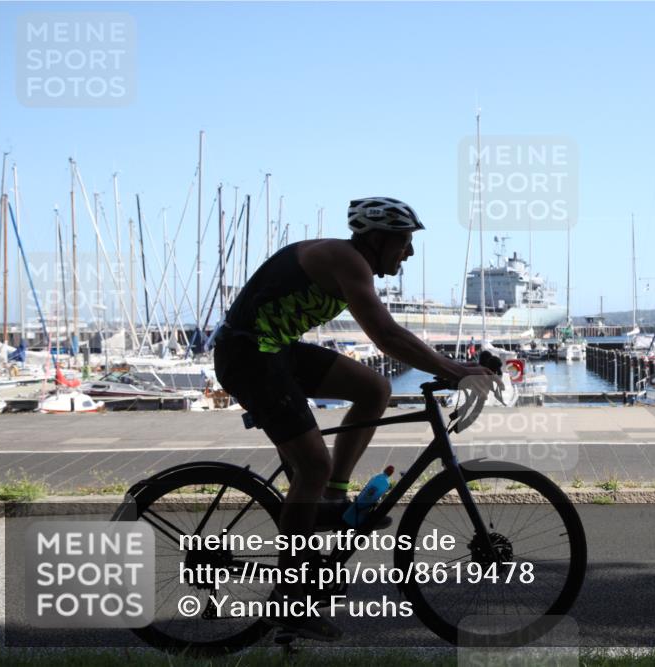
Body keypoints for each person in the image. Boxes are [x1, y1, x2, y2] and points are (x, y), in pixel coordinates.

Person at [213, 197, 496, 641]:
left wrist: (453, 368)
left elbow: (390, 337)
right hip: (249, 355)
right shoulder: (347, 261)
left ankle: (332, 498)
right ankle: (290, 602)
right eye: (403, 242)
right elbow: (385, 335)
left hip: (274, 350)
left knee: (375, 389)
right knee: (312, 463)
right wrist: (455, 370)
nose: (410, 253)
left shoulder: (351, 261)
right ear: (377, 239)